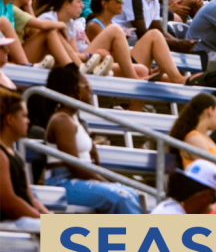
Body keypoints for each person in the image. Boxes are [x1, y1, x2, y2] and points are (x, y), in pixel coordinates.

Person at [39, 64, 143, 214]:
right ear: (72, 89)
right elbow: (76, 168)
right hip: (62, 182)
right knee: (122, 196)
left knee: (134, 194)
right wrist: (107, 183)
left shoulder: (72, 118)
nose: (90, 89)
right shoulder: (62, 120)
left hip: (77, 180)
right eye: (86, 85)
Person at [0, 93, 50, 231]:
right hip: (9, 222)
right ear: (9, 119)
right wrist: (40, 219)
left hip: (25, 220)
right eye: (24, 116)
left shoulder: (14, 154)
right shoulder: (1, 155)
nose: (28, 121)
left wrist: (50, 218)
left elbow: (31, 198)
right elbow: (8, 202)